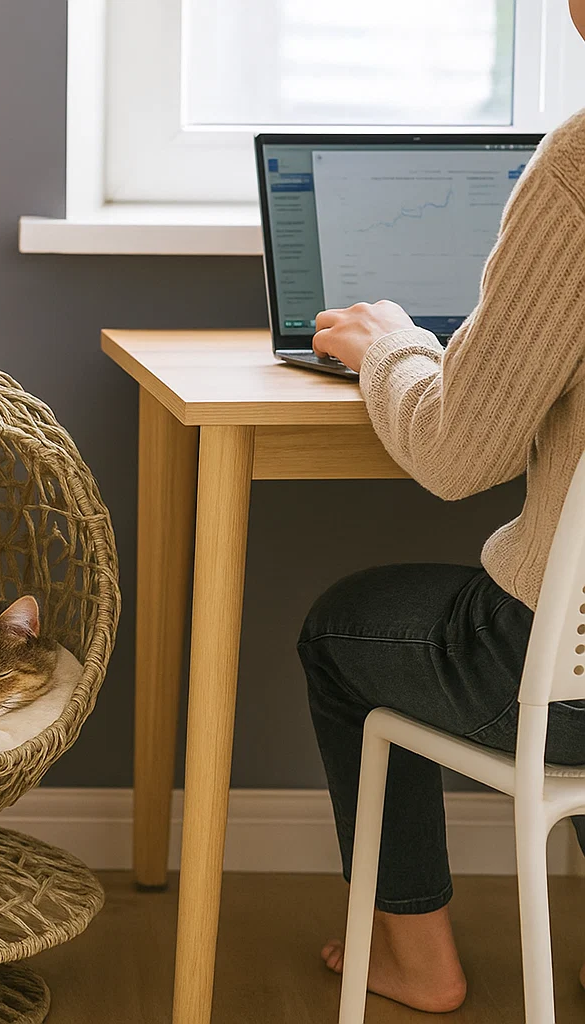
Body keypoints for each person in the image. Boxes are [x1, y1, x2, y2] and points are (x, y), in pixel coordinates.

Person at [301, 0, 585, 1011]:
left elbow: (461, 453)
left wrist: (390, 342)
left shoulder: (580, 166)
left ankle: (417, 957)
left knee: (341, 628)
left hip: (570, 687)